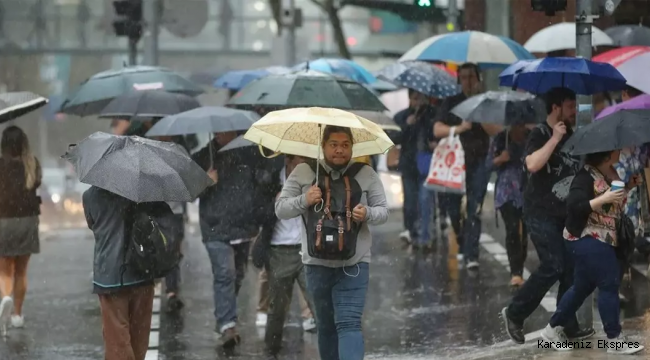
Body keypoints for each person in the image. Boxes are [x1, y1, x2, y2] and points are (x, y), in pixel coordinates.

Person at [276, 126, 389, 360]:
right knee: (326, 326)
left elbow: (383, 212)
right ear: (323, 145)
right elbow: (281, 210)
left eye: (345, 145)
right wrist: (304, 200)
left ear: (352, 147)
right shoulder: (303, 171)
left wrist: (367, 213)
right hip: (316, 264)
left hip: (355, 263)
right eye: (334, 144)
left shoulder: (366, 173)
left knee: (349, 323)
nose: (340, 150)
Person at [502, 87, 594, 344]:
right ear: (556, 108)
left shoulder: (574, 136)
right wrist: (554, 139)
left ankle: (566, 322)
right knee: (553, 264)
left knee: (571, 270)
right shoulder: (541, 133)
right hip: (539, 211)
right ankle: (515, 312)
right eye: (570, 106)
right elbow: (532, 164)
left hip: (564, 214)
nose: (574, 111)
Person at [541, 150, 644, 355]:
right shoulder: (585, 177)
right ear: (607, 155)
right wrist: (603, 197)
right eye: (616, 150)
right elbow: (575, 206)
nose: (620, 151)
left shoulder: (608, 173)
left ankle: (551, 329)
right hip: (586, 238)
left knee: (581, 287)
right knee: (609, 282)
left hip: (602, 237)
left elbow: (611, 205)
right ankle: (614, 339)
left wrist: (629, 186)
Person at [192, 131, 281, 348]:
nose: (226, 134)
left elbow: (264, 181)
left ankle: (224, 315)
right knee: (225, 273)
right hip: (215, 226)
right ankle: (227, 324)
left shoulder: (250, 151)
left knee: (237, 275)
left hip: (243, 225)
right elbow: (189, 192)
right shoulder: (204, 156)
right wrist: (205, 182)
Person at [83, 186, 167, 360]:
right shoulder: (143, 191)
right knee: (139, 338)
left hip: (110, 275)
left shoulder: (90, 196)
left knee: (117, 341)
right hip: (141, 269)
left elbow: (93, 224)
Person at [433, 62, 489, 269]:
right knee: (453, 210)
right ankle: (463, 242)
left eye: (471, 77)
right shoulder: (451, 102)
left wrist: (480, 114)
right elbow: (437, 129)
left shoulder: (484, 102)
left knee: (474, 208)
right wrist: (460, 128)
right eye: (464, 77)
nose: (468, 81)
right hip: (455, 162)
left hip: (480, 161)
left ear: (478, 79)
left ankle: (472, 254)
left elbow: (495, 130)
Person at [263, 154, 317, 358]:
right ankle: (271, 350)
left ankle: (333, 351)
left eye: (307, 159)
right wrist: (273, 202)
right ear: (288, 159)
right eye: (299, 159)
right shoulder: (271, 178)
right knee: (277, 308)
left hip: (307, 248)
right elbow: (259, 211)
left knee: (317, 303)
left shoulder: (315, 178)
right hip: (279, 249)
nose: (303, 163)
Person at [0, 126, 42, 332]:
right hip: (28, 221)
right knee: (22, 271)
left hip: (4, 221)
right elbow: (37, 184)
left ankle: (6, 297)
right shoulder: (32, 164)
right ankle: (17, 314)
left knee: (5, 269)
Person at [488, 126, 529, 287]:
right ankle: (516, 272)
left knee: (525, 231)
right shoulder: (500, 139)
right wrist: (500, 159)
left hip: (526, 190)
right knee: (512, 230)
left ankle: (520, 264)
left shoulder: (531, 137)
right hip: (506, 192)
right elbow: (488, 165)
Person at [394, 89, 430, 245]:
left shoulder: (430, 115)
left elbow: (434, 135)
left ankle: (424, 232)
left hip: (426, 164)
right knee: (410, 199)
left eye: (420, 98)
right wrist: (407, 125)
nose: (418, 102)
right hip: (408, 164)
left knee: (425, 199)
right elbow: (394, 138)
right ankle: (410, 228)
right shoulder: (402, 116)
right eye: (415, 98)